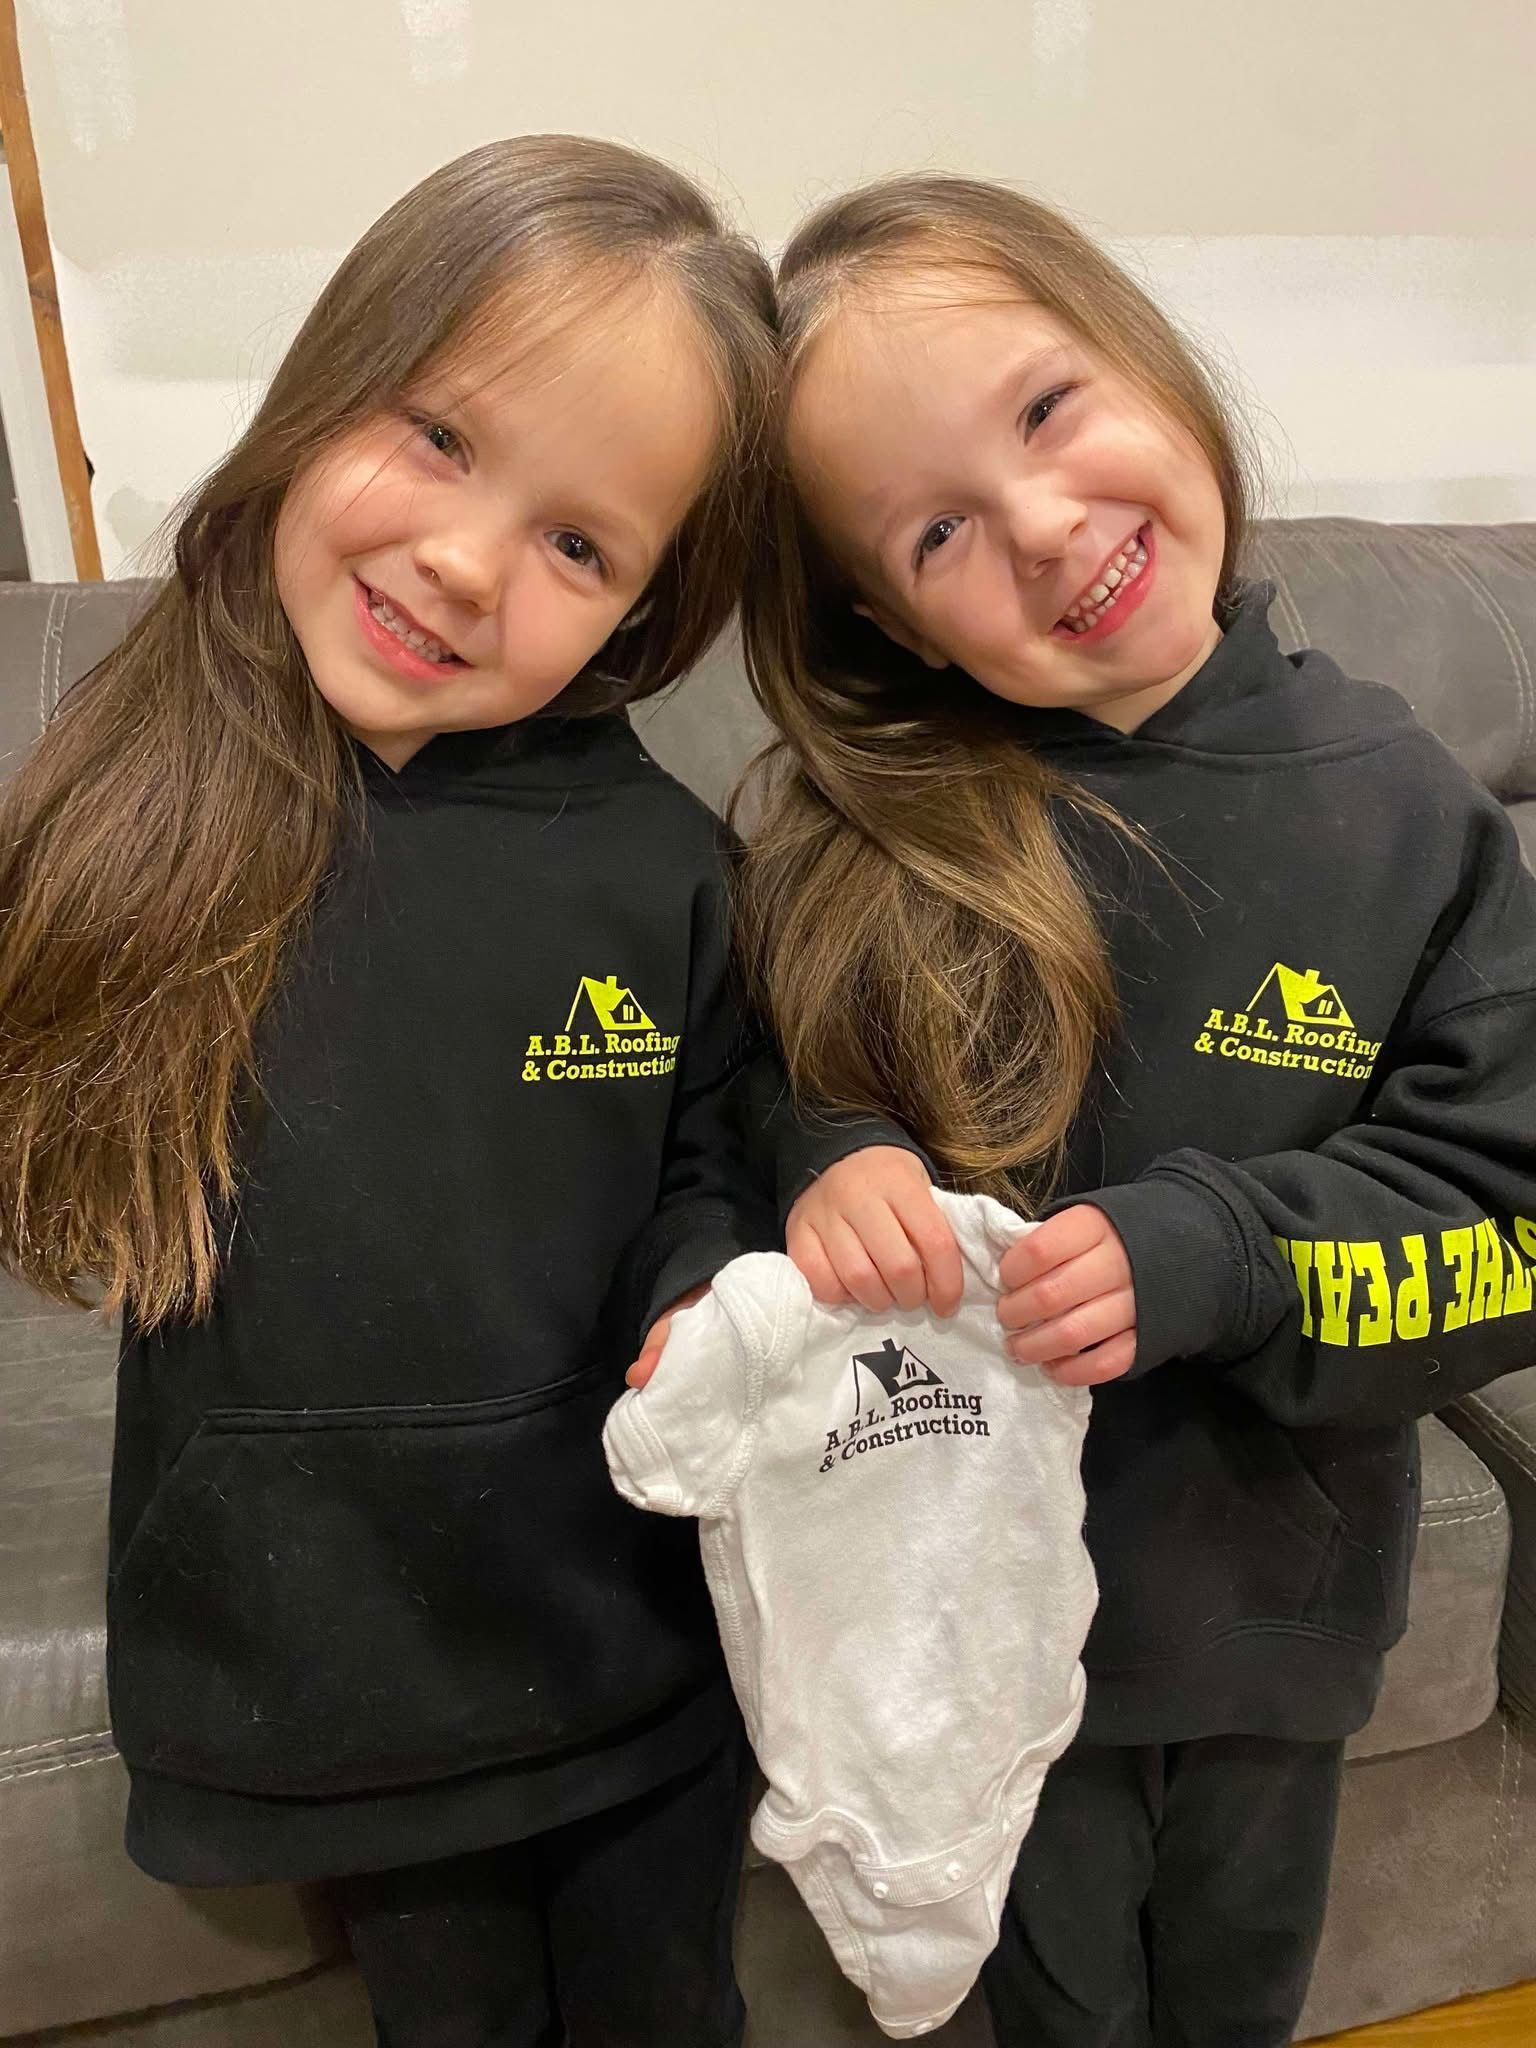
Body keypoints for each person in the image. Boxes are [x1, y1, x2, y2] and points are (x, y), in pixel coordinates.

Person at [0, 136, 925, 2048]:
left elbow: (718, 1147)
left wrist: (704, 1288)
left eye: (582, 544)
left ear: (647, 610)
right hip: (350, 1669)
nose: (461, 558)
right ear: (333, 385)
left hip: (638, 1632)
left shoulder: (664, 863)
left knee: (672, 2008)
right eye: (436, 436)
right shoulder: (133, 791)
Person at [736, 172, 1536, 2047]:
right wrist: (826, 1158)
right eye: (937, 529)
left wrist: (1229, 1256)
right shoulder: (871, 832)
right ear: (894, 622)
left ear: (1149, 365)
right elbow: (764, 1092)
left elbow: (1505, 1235)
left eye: (1048, 408)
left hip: (1271, 1621)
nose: (1041, 523)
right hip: (970, 1639)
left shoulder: (1411, 807)